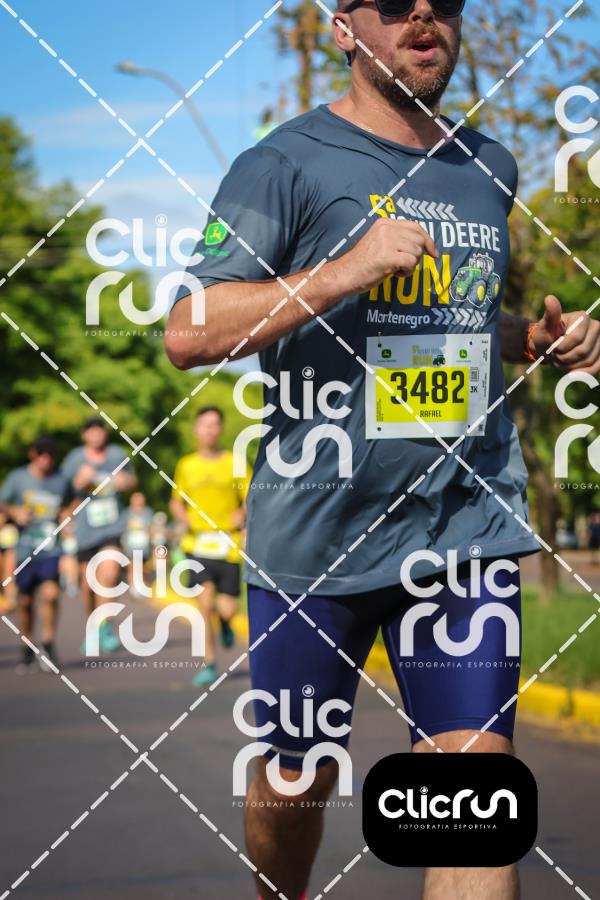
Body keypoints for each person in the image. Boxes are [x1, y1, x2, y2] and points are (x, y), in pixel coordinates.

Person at [165, 1, 600, 897]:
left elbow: (455, 323)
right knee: (298, 777)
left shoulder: (488, 165)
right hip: (317, 534)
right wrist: (346, 270)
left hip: (462, 528)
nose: (424, 14)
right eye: (395, 2)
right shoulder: (281, 164)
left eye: (445, 0)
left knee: (475, 791)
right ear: (342, 29)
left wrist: (534, 339)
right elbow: (190, 330)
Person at [170, 408, 249, 686]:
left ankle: (225, 622)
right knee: (204, 604)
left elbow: (250, 496)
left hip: (228, 545)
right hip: (197, 543)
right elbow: (176, 501)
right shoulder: (186, 464)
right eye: (204, 424)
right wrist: (184, 519)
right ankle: (209, 663)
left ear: (221, 429)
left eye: (214, 425)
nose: (209, 430)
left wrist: (242, 514)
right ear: (196, 429)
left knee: (227, 608)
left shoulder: (235, 462)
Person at [62, 418, 137, 653]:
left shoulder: (116, 454)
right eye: (91, 431)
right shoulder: (74, 458)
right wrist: (78, 481)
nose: (96, 435)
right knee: (88, 586)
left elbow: (132, 480)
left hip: (111, 527)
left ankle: (105, 626)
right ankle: (94, 627)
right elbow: (61, 489)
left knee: (110, 571)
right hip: (85, 530)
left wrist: (125, 481)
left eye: (100, 431)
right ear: (84, 435)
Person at [0, 436, 70, 672]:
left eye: (50, 454)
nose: (45, 459)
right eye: (41, 453)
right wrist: (14, 511)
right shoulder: (18, 477)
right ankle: (27, 645)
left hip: (51, 548)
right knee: (25, 601)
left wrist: (67, 516)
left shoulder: (61, 479)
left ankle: (48, 643)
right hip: (25, 550)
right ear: (33, 454)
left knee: (51, 594)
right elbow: (2, 502)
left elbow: (73, 500)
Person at [121, 491, 154, 597]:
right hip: (130, 544)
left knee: (141, 565)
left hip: (144, 545)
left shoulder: (148, 512)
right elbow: (123, 528)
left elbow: (151, 527)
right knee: (132, 564)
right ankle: (133, 585)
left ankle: (140, 584)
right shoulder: (126, 513)